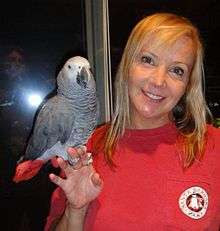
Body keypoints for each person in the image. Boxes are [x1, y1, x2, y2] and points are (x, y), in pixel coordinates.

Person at [45, 12, 220, 230]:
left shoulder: (214, 147)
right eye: (148, 60)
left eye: (177, 70)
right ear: (128, 66)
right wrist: (76, 210)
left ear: (187, 85)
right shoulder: (87, 149)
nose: (158, 81)